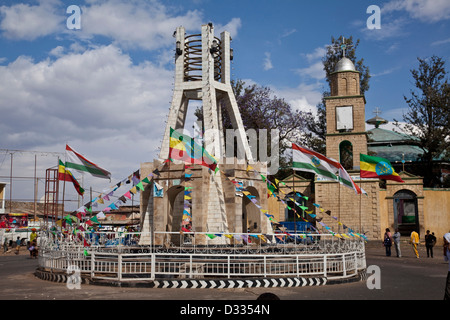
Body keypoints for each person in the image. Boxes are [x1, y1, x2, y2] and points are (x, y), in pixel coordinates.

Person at [443, 233, 450, 300]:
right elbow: (445, 260)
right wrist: (445, 251)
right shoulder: (447, 248)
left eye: (445, 239)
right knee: (447, 289)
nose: (444, 241)